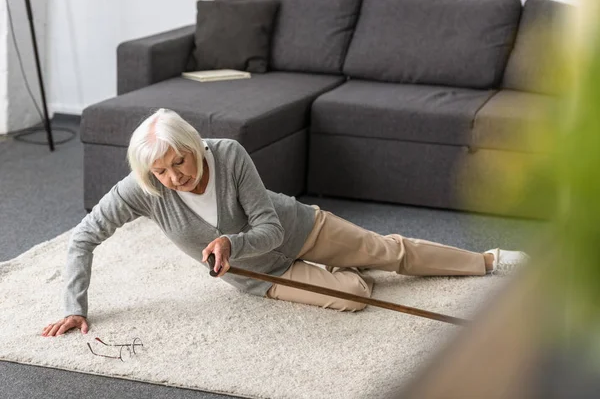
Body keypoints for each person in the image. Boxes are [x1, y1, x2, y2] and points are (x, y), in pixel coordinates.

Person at [42, 108, 529, 337]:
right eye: (161, 171)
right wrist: (75, 304)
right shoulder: (144, 188)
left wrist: (229, 241)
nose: (174, 178)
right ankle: (346, 271)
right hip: (263, 276)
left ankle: (488, 261)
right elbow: (84, 237)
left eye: (180, 163)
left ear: (194, 145)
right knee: (357, 296)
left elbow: (270, 229)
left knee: (390, 253)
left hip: (299, 228)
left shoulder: (228, 155)